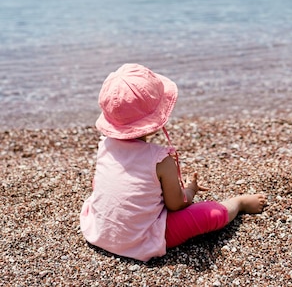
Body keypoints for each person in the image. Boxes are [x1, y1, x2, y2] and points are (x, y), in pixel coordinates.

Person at [80, 63, 267, 262]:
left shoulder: (104, 145)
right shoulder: (160, 159)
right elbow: (177, 204)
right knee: (209, 213)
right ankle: (238, 203)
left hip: (99, 231)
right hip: (143, 238)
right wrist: (190, 190)